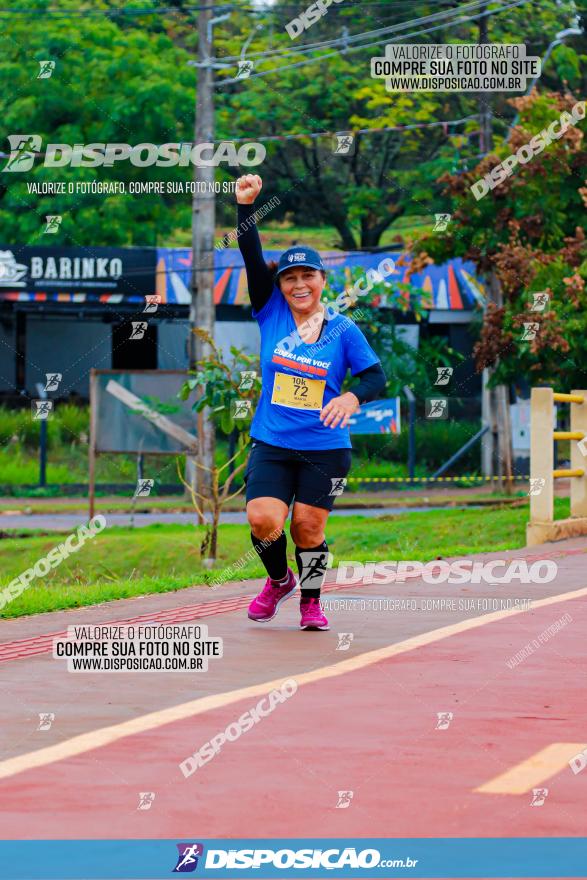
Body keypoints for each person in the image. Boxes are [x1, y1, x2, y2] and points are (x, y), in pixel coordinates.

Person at [236, 174, 386, 631]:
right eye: (290, 278)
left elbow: (375, 376)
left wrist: (351, 396)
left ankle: (310, 600)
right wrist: (246, 208)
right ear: (279, 285)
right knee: (264, 520)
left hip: (326, 447)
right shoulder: (271, 310)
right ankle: (278, 579)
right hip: (274, 441)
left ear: (322, 280)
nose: (299, 285)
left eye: (307, 276)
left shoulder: (344, 329)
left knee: (308, 527)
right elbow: (249, 254)